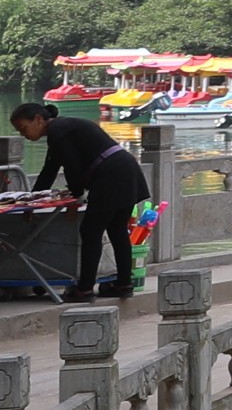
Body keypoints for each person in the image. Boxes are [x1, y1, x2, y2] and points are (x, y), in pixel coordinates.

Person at [13, 102, 149, 299]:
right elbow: (49, 171)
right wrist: (31, 201)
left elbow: (72, 167)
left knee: (90, 231)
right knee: (117, 229)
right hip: (125, 169)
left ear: (38, 120)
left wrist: (76, 197)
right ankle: (123, 285)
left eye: (23, 128)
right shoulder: (62, 129)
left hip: (111, 175)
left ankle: (84, 288)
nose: (23, 135)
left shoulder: (59, 131)